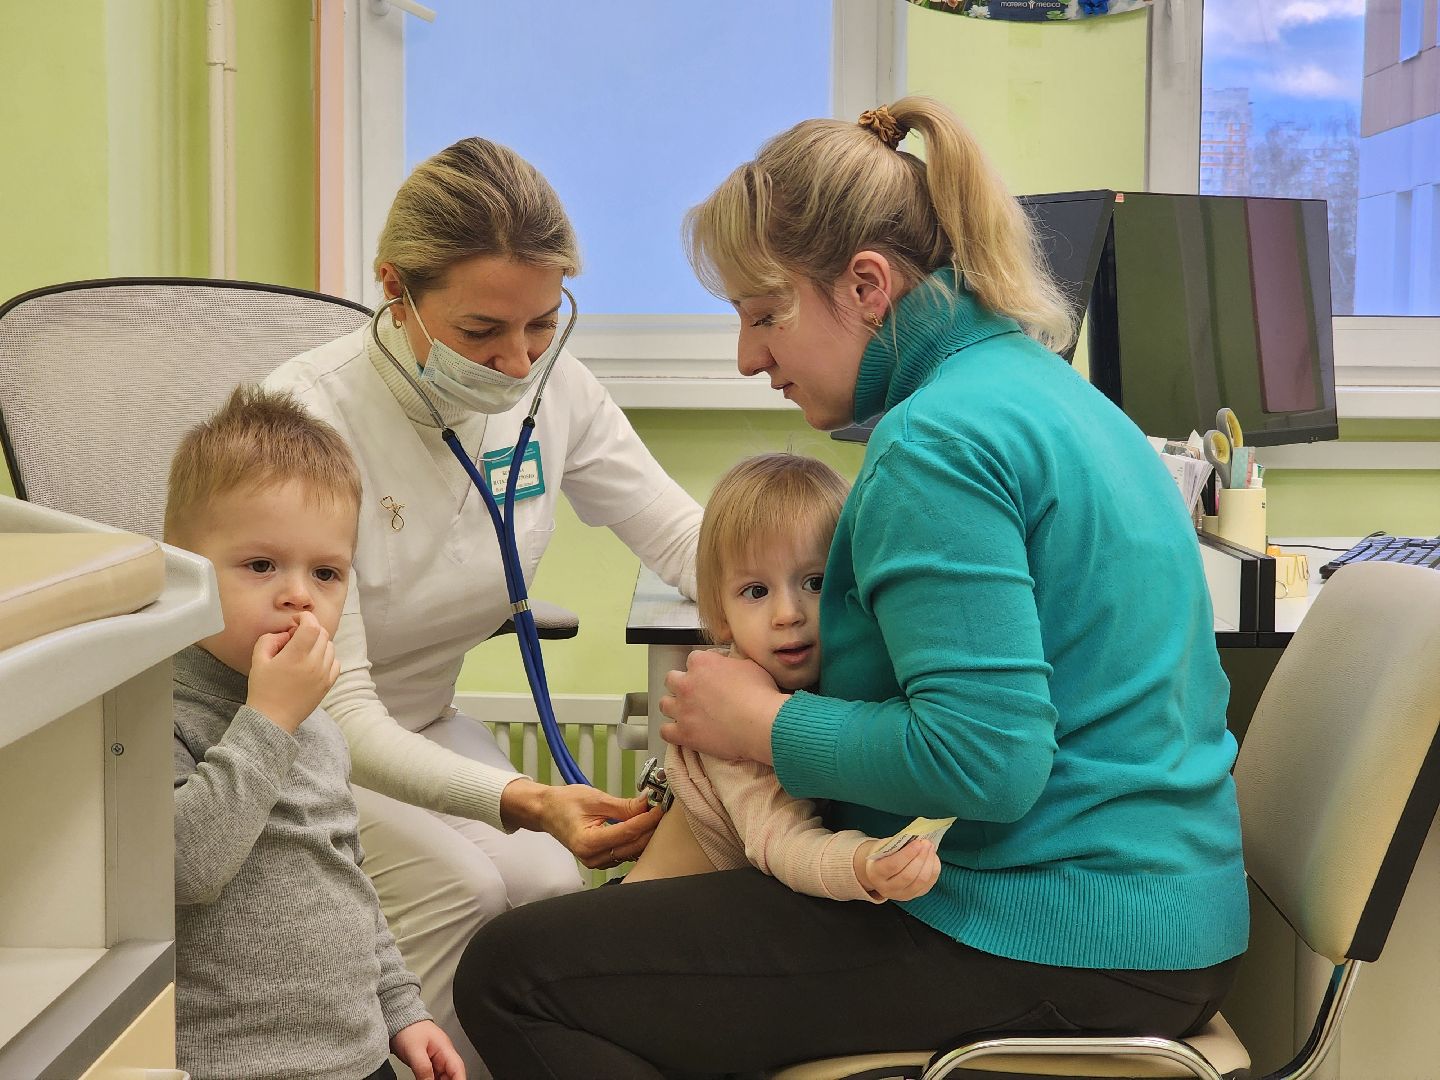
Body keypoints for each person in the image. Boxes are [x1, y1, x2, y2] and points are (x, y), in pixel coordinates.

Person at [452, 97, 1249, 1078]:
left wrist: (762, 728)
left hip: (1053, 933)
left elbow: (987, 762)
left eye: (764, 314)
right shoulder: (1053, 395)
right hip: (1163, 922)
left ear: (867, 285)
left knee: (512, 974)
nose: (749, 357)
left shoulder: (936, 442)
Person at [264, 137, 700, 1074]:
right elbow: (334, 711)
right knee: (461, 887)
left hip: (419, 720)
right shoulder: (306, 420)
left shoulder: (553, 387)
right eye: (480, 333)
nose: (515, 363)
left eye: (542, 324)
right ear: (394, 288)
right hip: (295, 743)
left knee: (546, 885)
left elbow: (682, 537)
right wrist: (522, 796)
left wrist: (831, 594)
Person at [167, 386, 464, 1080]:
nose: (298, 594)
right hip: (233, 1066)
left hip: (357, 1057)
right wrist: (268, 719)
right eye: (261, 565)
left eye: (326, 573)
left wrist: (402, 1008)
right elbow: (187, 866)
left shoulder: (314, 721)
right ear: (180, 568)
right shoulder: (157, 707)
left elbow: (344, 874)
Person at [625, 452, 940, 904]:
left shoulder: (837, 675)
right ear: (721, 615)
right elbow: (781, 842)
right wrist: (865, 863)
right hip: (662, 921)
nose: (788, 614)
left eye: (815, 582)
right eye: (756, 591)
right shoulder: (726, 708)